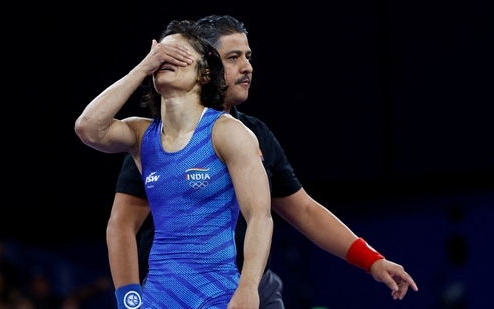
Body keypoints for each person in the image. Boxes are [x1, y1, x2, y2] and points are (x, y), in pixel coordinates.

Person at [106, 15, 419, 309]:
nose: (247, 67)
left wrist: (372, 260)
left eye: (248, 57)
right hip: (177, 291)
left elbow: (304, 211)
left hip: (251, 288)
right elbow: (121, 225)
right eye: (233, 58)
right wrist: (130, 299)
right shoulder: (158, 139)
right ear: (204, 64)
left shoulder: (253, 134)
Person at [75, 19, 273, 309]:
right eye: (160, 55)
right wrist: (143, 67)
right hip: (158, 297)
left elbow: (260, 217)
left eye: (176, 53)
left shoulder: (228, 132)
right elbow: (88, 128)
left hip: (217, 294)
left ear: (204, 72)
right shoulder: (141, 135)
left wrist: (248, 289)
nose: (163, 59)